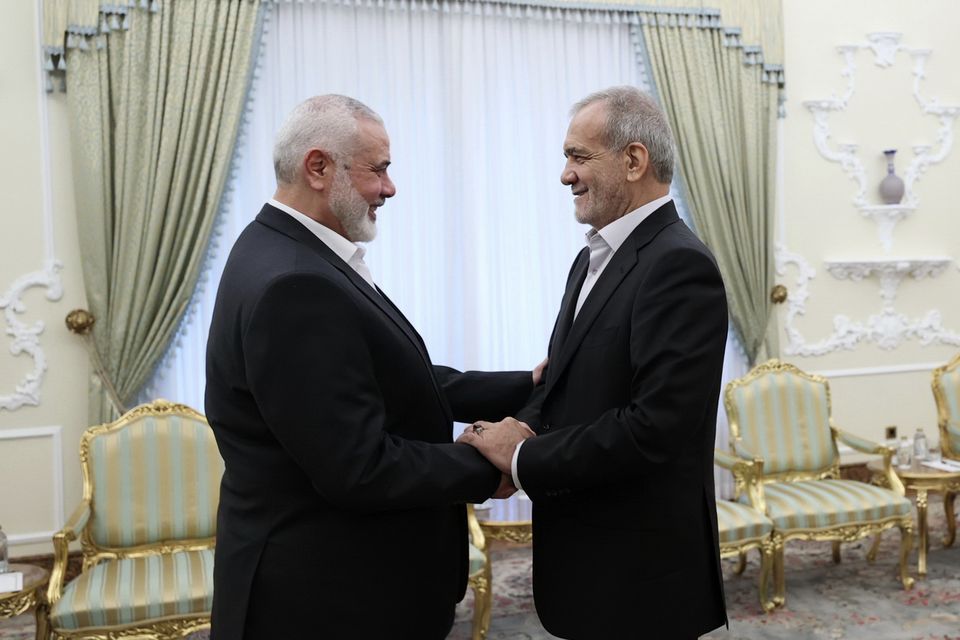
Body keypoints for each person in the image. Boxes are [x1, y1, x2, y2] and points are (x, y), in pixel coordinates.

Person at [205, 95, 540, 639]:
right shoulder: (296, 284)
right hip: (330, 596)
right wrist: (498, 464)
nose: (390, 187)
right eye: (378, 169)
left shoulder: (280, 246)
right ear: (319, 167)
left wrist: (526, 384)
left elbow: (390, 381)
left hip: (336, 579)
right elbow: (358, 466)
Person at [459, 86, 729, 639]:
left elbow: (656, 429)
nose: (565, 175)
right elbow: (559, 378)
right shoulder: (590, 260)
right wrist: (524, 426)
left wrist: (523, 458)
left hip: (640, 575)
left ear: (634, 160)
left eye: (579, 157)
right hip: (585, 557)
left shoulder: (680, 265)